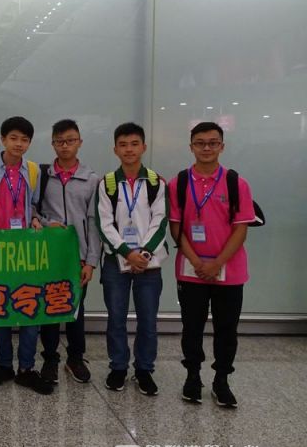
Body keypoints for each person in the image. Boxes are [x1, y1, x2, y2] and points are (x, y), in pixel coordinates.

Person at [168, 122, 256, 408]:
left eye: (213, 142)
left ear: (222, 146)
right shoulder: (179, 183)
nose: (206, 148)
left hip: (229, 271)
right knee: (191, 327)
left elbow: (241, 229)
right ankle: (193, 377)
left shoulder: (236, 183)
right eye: (200, 143)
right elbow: (176, 227)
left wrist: (217, 263)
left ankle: (221, 380)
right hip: (191, 270)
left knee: (226, 328)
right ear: (191, 146)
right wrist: (197, 262)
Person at [0, 116, 48, 394]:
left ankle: (26, 368)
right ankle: (4, 364)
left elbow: (35, 205)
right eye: (13, 138)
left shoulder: (34, 171)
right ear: (2, 139)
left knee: (30, 307)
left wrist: (36, 219)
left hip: (26, 251)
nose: (19, 144)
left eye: (24, 139)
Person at [96, 122, 168, 396]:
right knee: (116, 318)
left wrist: (144, 254)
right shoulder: (107, 183)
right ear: (115, 149)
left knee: (148, 320)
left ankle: (144, 369)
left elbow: (161, 221)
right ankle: (118, 367)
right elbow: (103, 223)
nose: (129, 149)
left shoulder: (155, 182)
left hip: (149, 263)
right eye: (123, 145)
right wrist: (127, 252)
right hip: (116, 261)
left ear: (144, 147)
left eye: (134, 144)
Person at [36, 119, 100, 387]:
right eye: (60, 141)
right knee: (49, 307)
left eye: (70, 140)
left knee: (75, 309)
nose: (65, 146)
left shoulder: (91, 179)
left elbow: (94, 222)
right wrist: (45, 223)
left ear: (79, 142)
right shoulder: (42, 177)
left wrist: (91, 262)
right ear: (53, 144)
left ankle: (75, 358)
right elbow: (32, 211)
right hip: (49, 254)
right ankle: (50, 358)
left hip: (78, 256)